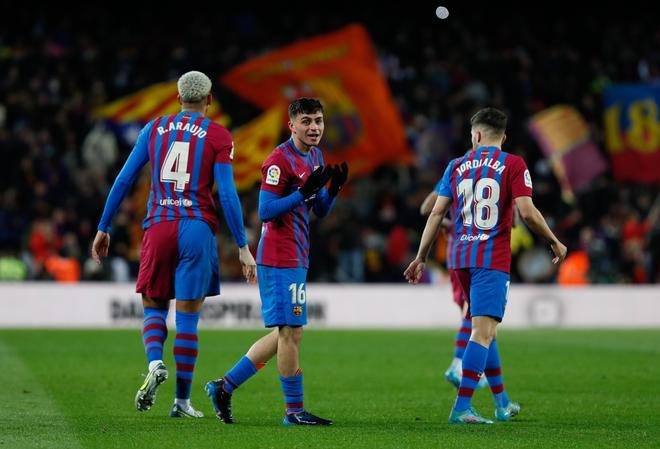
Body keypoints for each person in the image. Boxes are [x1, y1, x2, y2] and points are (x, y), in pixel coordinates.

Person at [91, 71, 256, 419]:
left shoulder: (153, 129)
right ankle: (181, 402)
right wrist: (242, 245)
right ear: (209, 100)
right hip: (196, 229)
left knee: (153, 307)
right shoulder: (218, 135)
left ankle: (154, 362)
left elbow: (124, 179)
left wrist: (104, 226)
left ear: (177, 98)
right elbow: (226, 193)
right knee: (188, 320)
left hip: (159, 226)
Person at [404, 107, 567, 424]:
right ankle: (462, 408)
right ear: (503, 137)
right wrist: (553, 240)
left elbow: (435, 214)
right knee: (483, 331)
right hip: (491, 259)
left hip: (460, 258)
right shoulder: (513, 164)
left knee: (485, 329)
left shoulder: (457, 165)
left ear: (476, 135)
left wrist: (421, 257)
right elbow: (528, 212)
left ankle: (502, 403)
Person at [205, 98, 348, 426]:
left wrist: (333, 190)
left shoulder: (315, 155)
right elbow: (266, 211)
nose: (315, 128)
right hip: (278, 255)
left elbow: (319, 209)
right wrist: (301, 193)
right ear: (292, 125)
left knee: (287, 333)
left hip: (298, 253)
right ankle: (293, 411)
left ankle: (224, 387)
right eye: (307, 121)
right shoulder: (278, 160)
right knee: (291, 332)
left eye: (319, 121)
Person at [419, 191, 488, 391]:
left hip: (459, 251)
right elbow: (426, 209)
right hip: (473, 251)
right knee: (475, 311)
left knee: (472, 312)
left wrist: (449, 225)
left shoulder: (456, 173)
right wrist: (451, 225)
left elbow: (426, 209)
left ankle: (469, 367)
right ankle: (458, 365)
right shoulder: (465, 173)